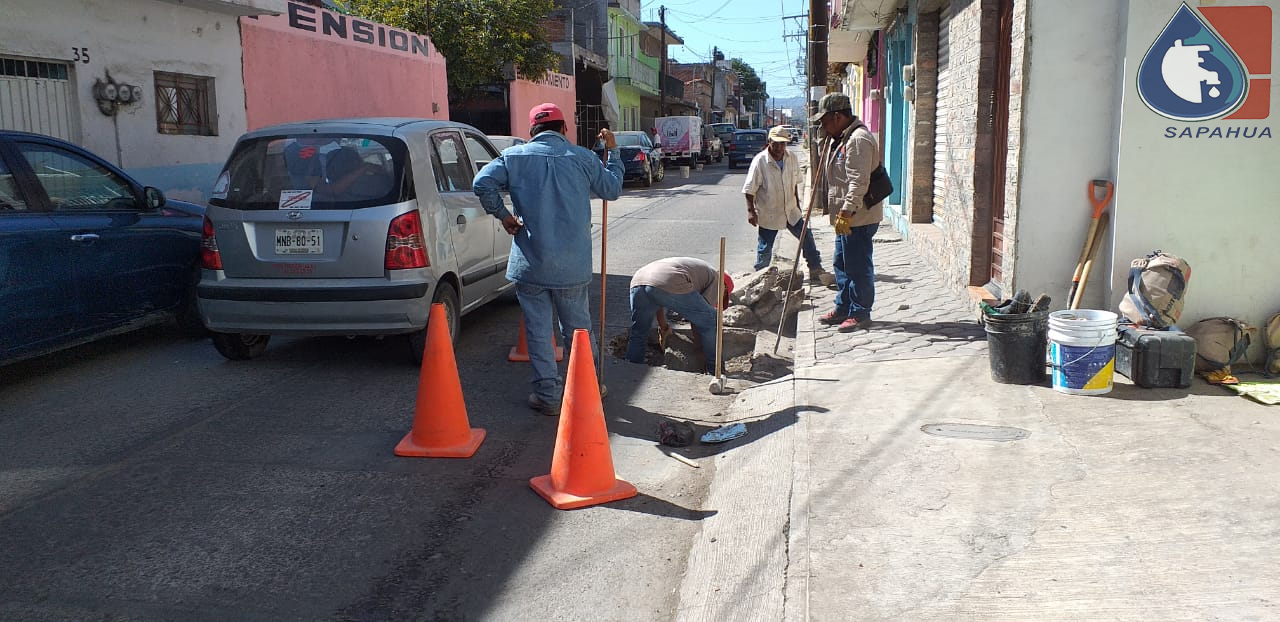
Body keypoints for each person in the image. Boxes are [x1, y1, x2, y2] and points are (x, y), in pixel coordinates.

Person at [473, 103, 624, 415]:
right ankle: (589, 388)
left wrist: (503, 216)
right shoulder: (583, 157)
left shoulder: (514, 157)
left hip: (531, 264)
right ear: (564, 128)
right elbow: (612, 189)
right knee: (579, 331)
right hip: (572, 266)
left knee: (539, 332)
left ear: (532, 132)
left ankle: (549, 396)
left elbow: (481, 183)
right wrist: (614, 151)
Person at [811, 92, 884, 333]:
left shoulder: (858, 140)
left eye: (825, 121)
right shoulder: (842, 138)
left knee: (857, 266)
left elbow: (858, 183)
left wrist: (846, 212)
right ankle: (843, 307)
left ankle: (860, 313)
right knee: (841, 263)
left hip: (857, 216)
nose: (823, 126)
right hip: (847, 216)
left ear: (838, 116)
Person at [742, 125, 833, 287]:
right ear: (769, 142)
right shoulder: (760, 161)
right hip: (770, 212)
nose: (779, 147)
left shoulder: (791, 158)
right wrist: (751, 212)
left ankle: (815, 269)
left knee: (807, 238)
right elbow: (749, 190)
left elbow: (794, 186)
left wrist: (797, 206)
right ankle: (759, 279)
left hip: (791, 210)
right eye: (775, 143)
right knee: (765, 249)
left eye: (782, 144)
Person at [625, 257, 733, 374]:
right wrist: (700, 350)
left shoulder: (699, 272)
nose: (719, 301)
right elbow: (702, 321)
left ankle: (631, 371)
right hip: (668, 279)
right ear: (725, 288)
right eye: (723, 297)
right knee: (712, 321)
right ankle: (716, 371)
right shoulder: (718, 279)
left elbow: (656, 296)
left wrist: (664, 328)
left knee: (639, 331)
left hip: (638, 280)